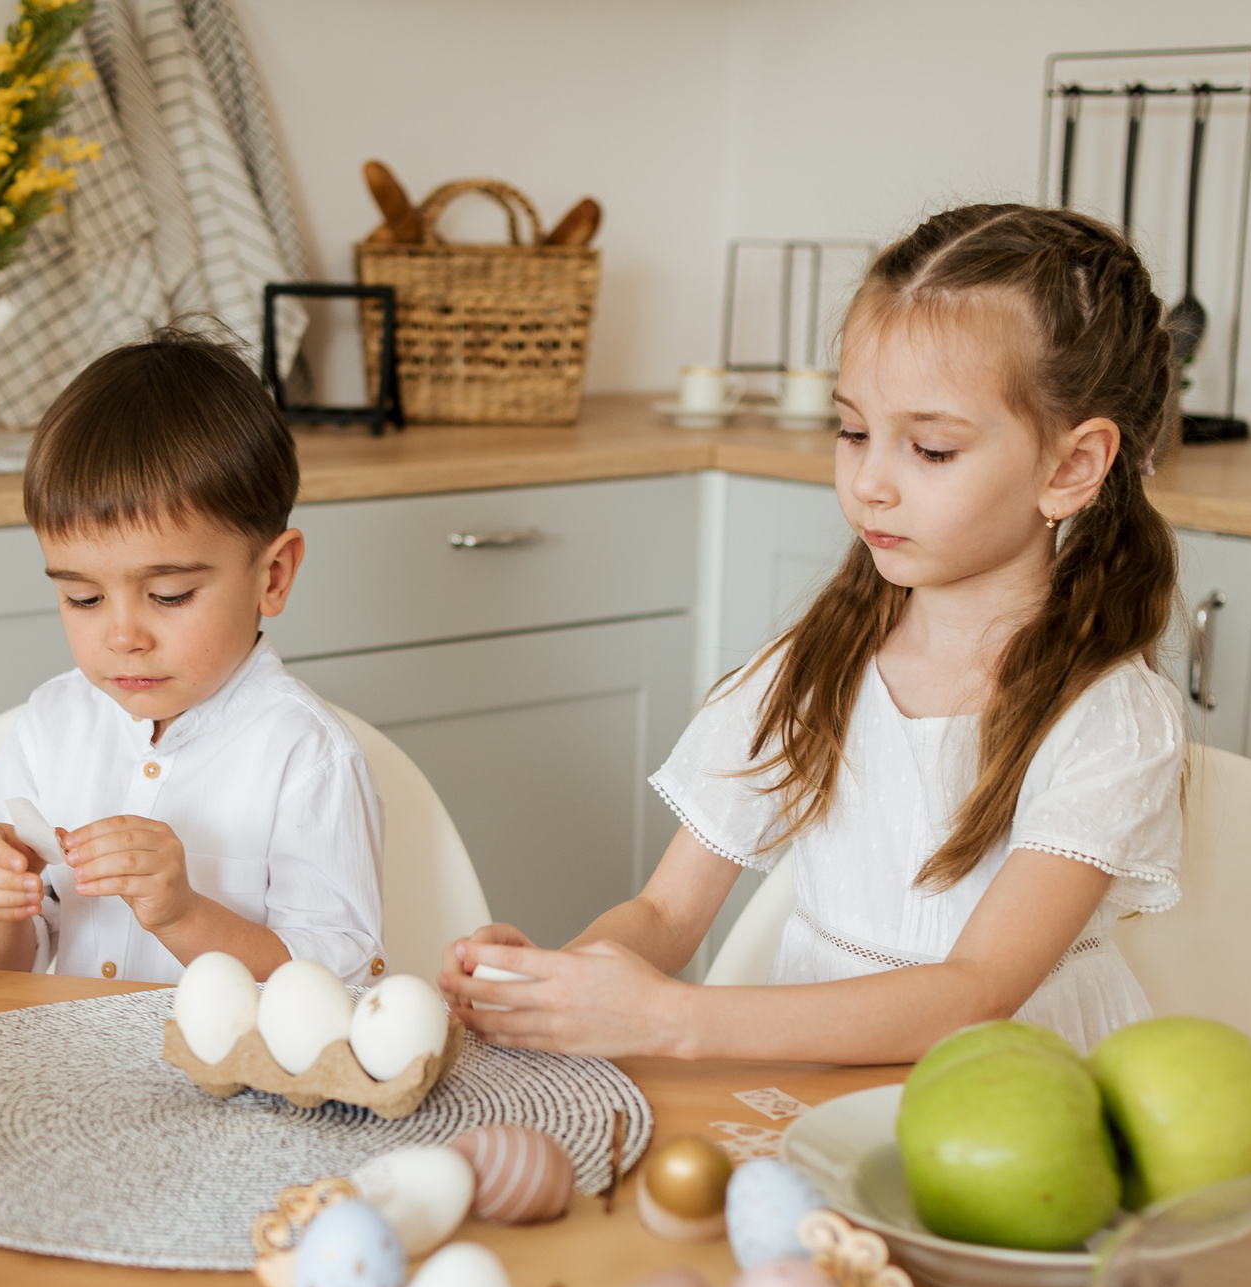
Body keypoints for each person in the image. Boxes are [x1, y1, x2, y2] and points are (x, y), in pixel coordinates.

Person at [442, 204, 1185, 1062]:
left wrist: (666, 1019)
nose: (870, 480)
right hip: (809, 1090)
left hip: (1017, 1102)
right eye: (854, 430)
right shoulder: (812, 667)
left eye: (931, 449)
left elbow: (973, 995)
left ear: (1071, 467)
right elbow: (666, 914)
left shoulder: (1110, 719)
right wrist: (552, 990)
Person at [0, 327, 384, 983]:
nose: (123, 636)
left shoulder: (305, 753)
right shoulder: (51, 725)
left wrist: (183, 915)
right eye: (83, 598)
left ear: (274, 576)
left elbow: (336, 987)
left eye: (170, 595)